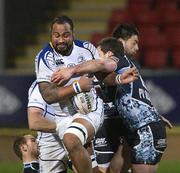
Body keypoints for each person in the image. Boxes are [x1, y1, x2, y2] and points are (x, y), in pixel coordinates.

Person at [35, 15, 138, 173]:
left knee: (71, 140)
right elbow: (48, 95)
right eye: (56, 35)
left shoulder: (86, 48)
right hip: (63, 117)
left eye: (65, 35)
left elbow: (102, 76)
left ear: (73, 34)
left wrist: (118, 78)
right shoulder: (44, 58)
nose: (61, 40)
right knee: (88, 166)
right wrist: (77, 87)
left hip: (90, 110)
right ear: (51, 35)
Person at [51, 36, 169, 173]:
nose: (95, 57)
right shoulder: (125, 69)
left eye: (98, 54)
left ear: (109, 54)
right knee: (114, 170)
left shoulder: (118, 60)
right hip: (141, 128)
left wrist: (71, 70)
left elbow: (101, 64)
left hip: (146, 130)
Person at [27, 80, 68, 173]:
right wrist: (69, 128)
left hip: (78, 136)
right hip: (51, 142)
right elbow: (34, 121)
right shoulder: (39, 87)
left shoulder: (80, 75)